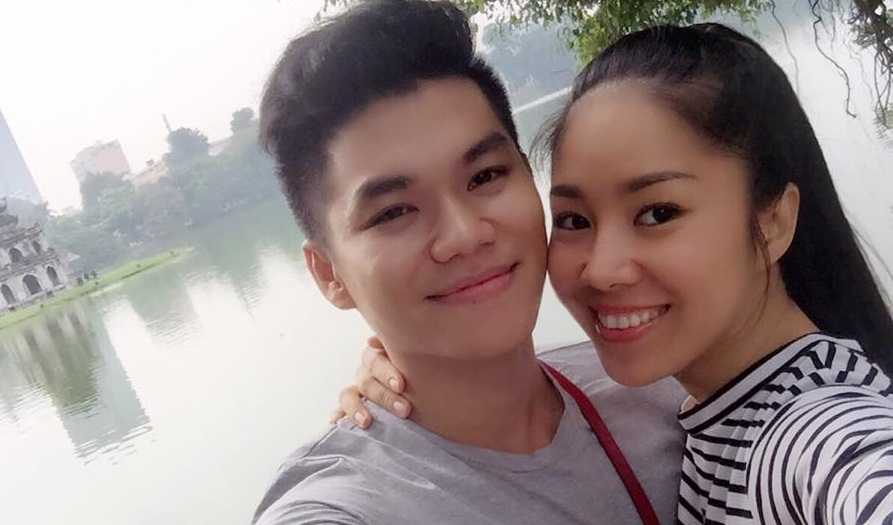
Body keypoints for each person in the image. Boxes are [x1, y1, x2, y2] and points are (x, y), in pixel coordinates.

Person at [339, 23, 893, 525]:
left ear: (772, 222)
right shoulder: (712, 409)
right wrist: (416, 378)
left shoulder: (820, 435)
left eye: (658, 213)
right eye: (574, 220)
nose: (602, 270)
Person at [252, 1, 684, 524]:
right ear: (329, 274)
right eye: (394, 212)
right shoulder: (349, 504)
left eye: (484, 177)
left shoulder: (662, 386)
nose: (464, 235)